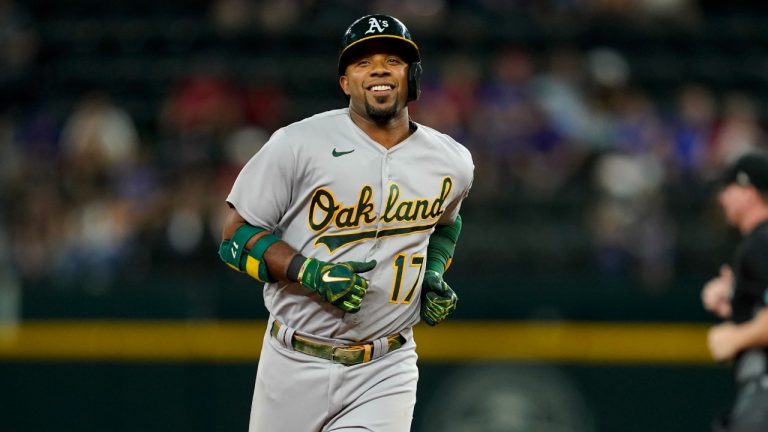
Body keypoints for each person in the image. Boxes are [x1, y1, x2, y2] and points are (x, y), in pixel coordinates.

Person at [218, 14, 474, 431]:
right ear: (344, 83)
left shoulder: (451, 161)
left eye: (392, 59)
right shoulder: (297, 144)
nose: (378, 69)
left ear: (413, 76)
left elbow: (447, 223)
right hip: (293, 361)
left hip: (386, 366)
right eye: (362, 62)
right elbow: (234, 237)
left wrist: (433, 271)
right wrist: (308, 272)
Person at [701, 152, 768, 432]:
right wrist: (734, 298)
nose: (722, 198)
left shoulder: (761, 244)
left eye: (729, 189)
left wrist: (736, 337)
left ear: (749, 191)